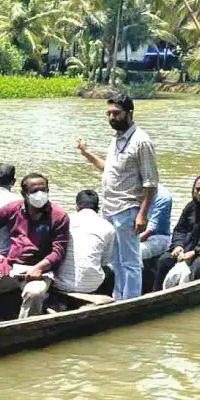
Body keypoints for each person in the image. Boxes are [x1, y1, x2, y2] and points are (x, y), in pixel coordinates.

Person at [76, 94, 159, 300]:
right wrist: (86, 153)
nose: (112, 118)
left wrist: (143, 214)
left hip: (128, 209)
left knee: (130, 261)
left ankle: (130, 301)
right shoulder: (116, 139)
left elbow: (151, 183)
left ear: (129, 113)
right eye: (109, 114)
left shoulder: (141, 142)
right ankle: (119, 297)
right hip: (109, 209)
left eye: (116, 113)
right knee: (116, 260)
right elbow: (108, 169)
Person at [0, 173, 70, 318]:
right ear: (24, 194)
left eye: (43, 190)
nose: (40, 194)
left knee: (33, 293)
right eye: (34, 191)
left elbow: (58, 251)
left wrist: (38, 268)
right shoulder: (14, 208)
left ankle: (23, 330)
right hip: (10, 267)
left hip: (40, 271)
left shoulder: (59, 215)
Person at [53, 190, 115, 294]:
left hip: (60, 283)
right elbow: (105, 261)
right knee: (111, 268)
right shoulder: (108, 227)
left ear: (77, 207)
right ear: (97, 209)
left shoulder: (65, 220)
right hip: (91, 286)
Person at [140, 182, 173, 260]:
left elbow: (149, 231)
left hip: (157, 237)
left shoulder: (163, 197)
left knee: (133, 252)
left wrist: (128, 243)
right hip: (135, 235)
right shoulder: (130, 190)